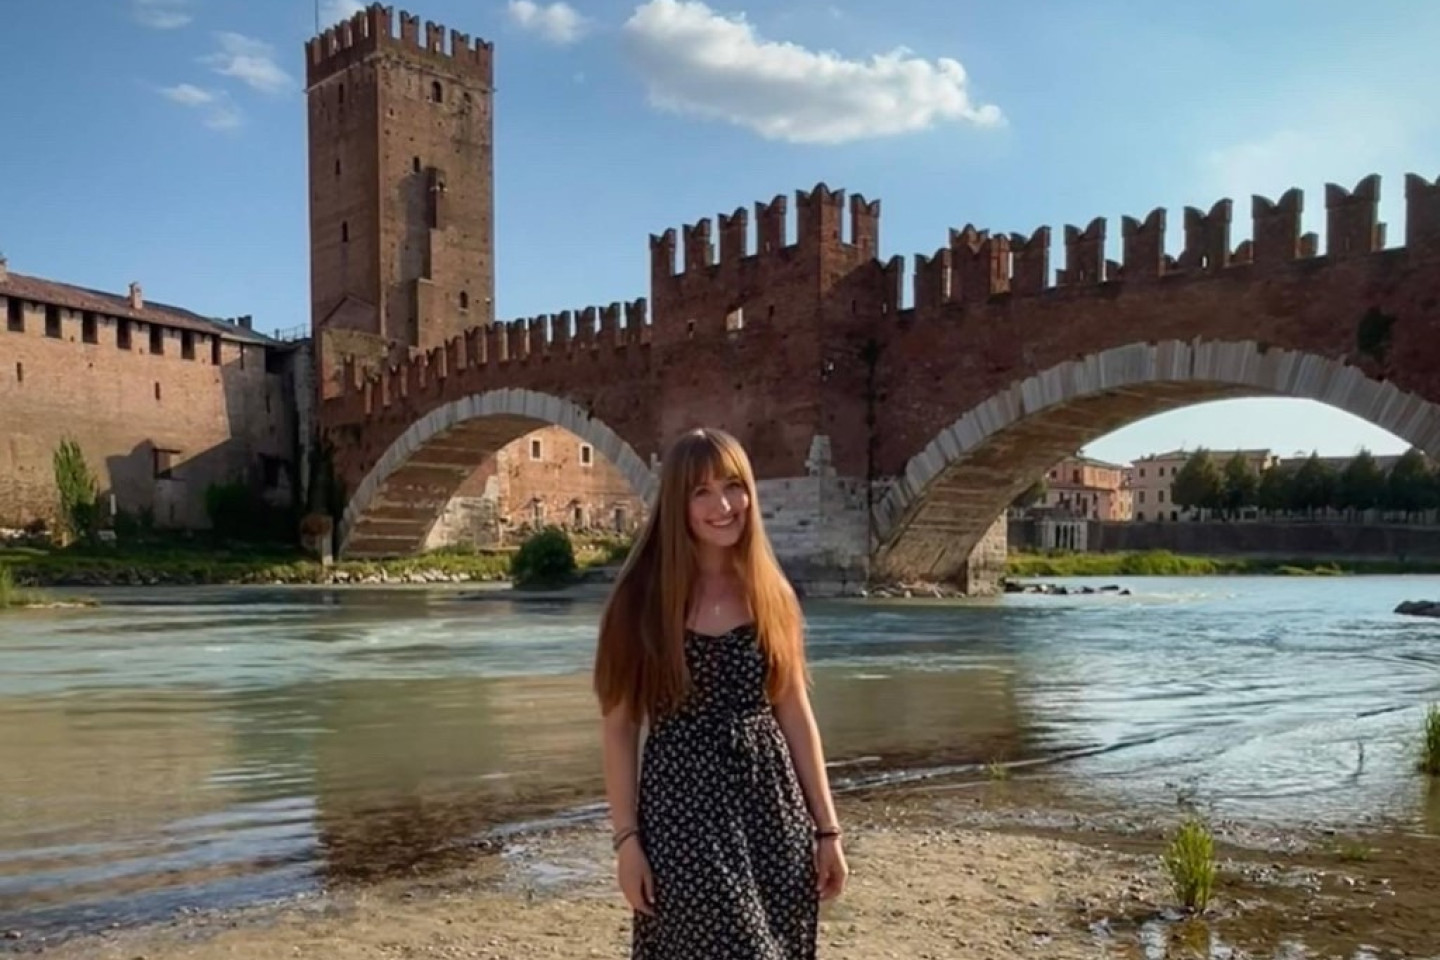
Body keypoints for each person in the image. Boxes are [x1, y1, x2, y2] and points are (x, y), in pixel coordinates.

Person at [593, 427, 848, 959]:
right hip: (680, 811)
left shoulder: (772, 591)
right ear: (676, 503)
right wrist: (626, 842)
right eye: (701, 492)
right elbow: (619, 727)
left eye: (734, 486)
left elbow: (795, 711)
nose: (724, 505)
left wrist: (828, 831)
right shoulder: (638, 601)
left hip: (773, 808)